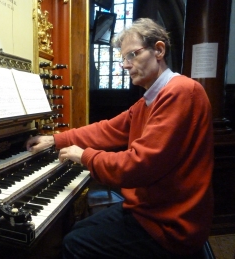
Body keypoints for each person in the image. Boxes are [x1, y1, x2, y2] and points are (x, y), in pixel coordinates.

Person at [26, 18, 214, 258]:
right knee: (77, 229)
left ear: (159, 50)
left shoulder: (181, 92)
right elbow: (107, 129)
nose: (126, 65)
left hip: (170, 223)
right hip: (150, 209)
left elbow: (139, 165)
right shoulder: (149, 99)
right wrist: (55, 139)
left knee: (75, 244)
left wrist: (85, 156)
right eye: (123, 58)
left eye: (132, 55)